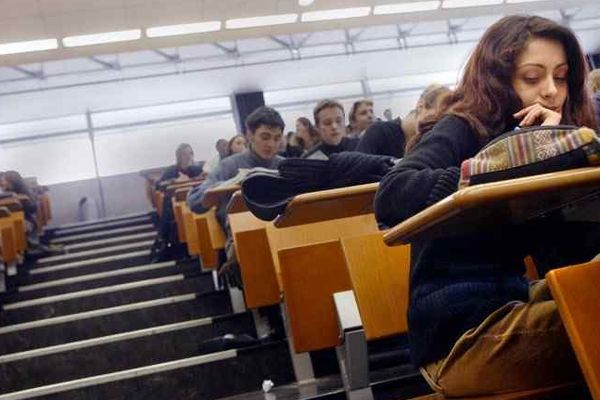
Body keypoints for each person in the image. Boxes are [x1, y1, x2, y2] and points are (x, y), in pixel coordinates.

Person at [374, 15, 599, 397]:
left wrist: (560, 152)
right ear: (498, 78)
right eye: (532, 78)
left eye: (560, 77)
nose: (550, 91)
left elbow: (566, 258)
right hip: (460, 340)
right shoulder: (463, 126)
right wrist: (515, 160)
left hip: (514, 308)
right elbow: (392, 195)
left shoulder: (559, 139)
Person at [188, 106, 285, 223]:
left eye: (277, 139)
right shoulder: (228, 165)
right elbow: (193, 202)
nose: (271, 144)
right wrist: (232, 182)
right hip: (240, 233)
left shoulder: (284, 165)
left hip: (282, 229)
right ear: (249, 135)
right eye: (265, 137)